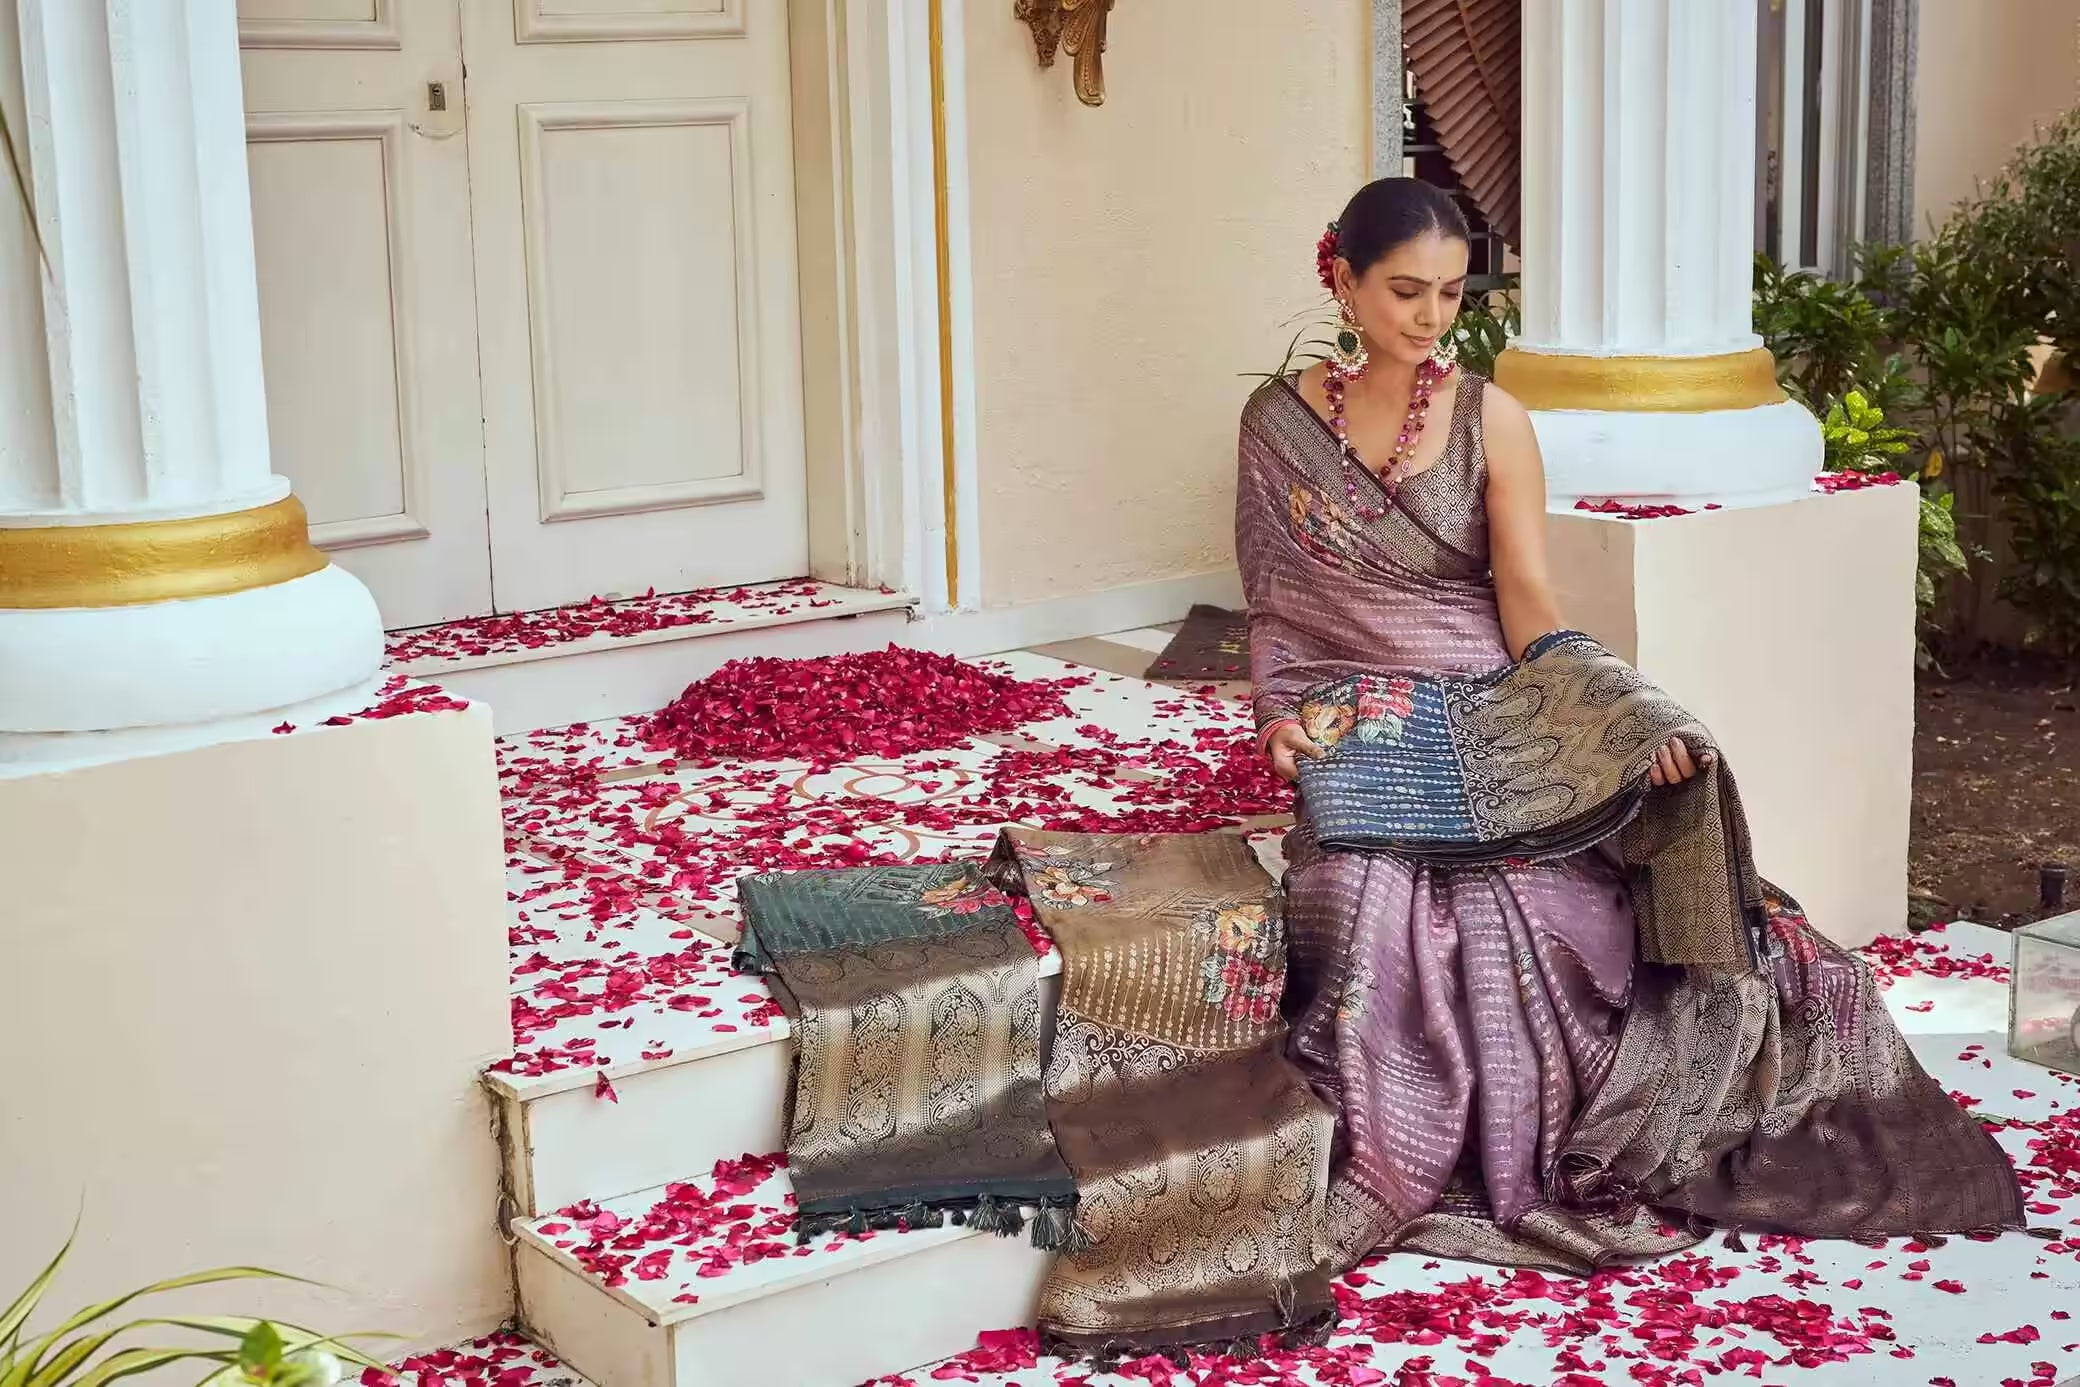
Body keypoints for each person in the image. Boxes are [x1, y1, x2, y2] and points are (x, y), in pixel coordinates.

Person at [1239, 177, 2022, 1274]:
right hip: (1356, 718)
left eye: (1452, 295)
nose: (1429, 318)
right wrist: (1282, 714)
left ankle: (1556, 1120)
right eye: (1405, 291)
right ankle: (1396, 1152)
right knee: (1367, 904)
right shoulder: (1278, 426)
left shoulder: (1488, 417)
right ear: (1342, 280)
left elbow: (1526, 606)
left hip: (1493, 709)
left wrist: (1618, 715)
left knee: (1539, 906)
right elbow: (1280, 606)